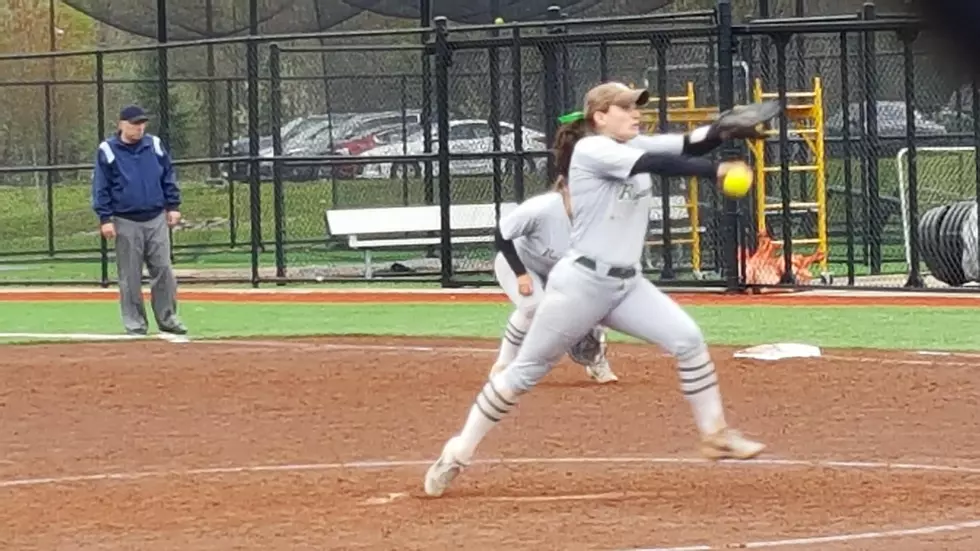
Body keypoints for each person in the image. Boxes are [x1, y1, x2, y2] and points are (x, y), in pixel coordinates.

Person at [424, 82, 765, 497]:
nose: (634, 113)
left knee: (689, 339)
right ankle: (458, 452)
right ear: (599, 116)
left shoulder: (633, 142)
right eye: (623, 107)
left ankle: (716, 434)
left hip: (626, 283)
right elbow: (656, 162)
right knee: (525, 373)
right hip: (581, 283)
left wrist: (723, 130)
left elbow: (684, 144)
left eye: (635, 106)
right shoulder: (591, 150)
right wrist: (715, 171)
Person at [489, 114, 741, 385]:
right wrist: (521, 275)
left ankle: (596, 362)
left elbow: (682, 147)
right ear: (565, 188)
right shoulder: (543, 209)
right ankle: (503, 365)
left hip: (560, 268)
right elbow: (502, 235)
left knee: (594, 301)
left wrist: (718, 133)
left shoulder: (598, 219)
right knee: (532, 306)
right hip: (518, 262)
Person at [91, 105, 187, 336]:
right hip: (125, 219)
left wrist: (173, 205)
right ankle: (135, 324)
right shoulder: (108, 150)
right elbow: (101, 187)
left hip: (155, 217)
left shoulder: (153, 144)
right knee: (130, 275)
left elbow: (167, 174)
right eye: (134, 124)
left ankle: (168, 318)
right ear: (122, 125)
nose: (139, 128)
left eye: (142, 123)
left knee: (163, 269)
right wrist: (105, 218)